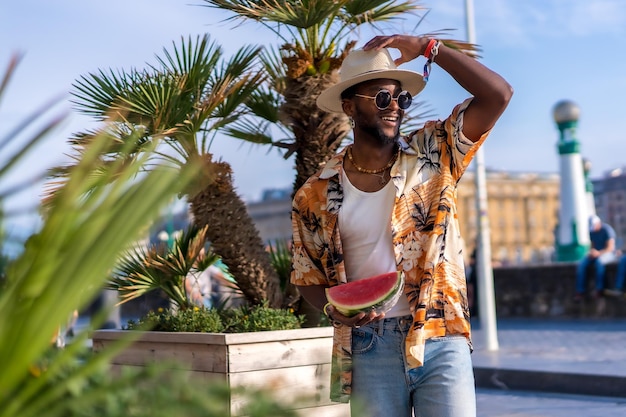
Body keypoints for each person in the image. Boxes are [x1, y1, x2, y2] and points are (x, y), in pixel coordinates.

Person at [290, 34, 512, 417]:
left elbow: (498, 95)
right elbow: (306, 278)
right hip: (366, 345)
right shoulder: (314, 193)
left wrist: (431, 48)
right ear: (349, 106)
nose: (395, 106)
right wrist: (335, 308)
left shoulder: (435, 152)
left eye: (400, 98)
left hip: (440, 334)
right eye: (381, 98)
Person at [574, 215, 616, 301]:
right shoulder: (592, 232)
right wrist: (591, 252)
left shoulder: (607, 230)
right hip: (596, 254)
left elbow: (610, 248)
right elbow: (593, 245)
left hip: (608, 253)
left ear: (598, 223)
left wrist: (599, 253)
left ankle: (599, 289)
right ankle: (580, 291)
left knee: (599, 263)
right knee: (582, 265)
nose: (593, 229)